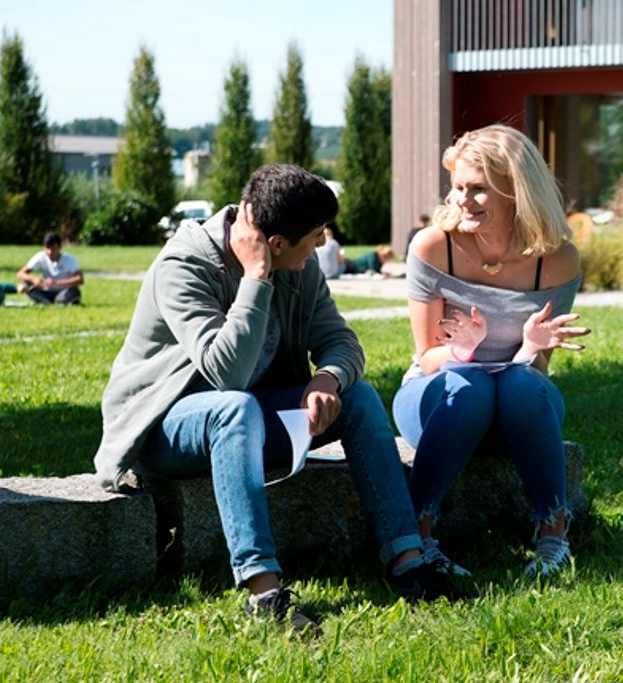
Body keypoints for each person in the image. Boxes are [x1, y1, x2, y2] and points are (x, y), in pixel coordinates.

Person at [93, 164, 458, 635]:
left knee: (360, 398)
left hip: (251, 420)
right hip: (162, 428)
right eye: (316, 234)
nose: (324, 243)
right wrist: (256, 279)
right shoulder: (184, 266)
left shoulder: (298, 265)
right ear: (277, 244)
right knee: (234, 408)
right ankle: (263, 592)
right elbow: (227, 374)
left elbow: (341, 341)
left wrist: (327, 377)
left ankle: (408, 561)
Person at [392, 124, 590, 578]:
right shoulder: (433, 246)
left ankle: (553, 536)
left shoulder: (556, 259)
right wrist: (462, 351)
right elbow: (426, 358)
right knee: (472, 384)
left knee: (522, 384)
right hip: (441, 399)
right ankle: (417, 538)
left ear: (516, 191)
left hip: (517, 408)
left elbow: (536, 368)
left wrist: (531, 347)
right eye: (458, 187)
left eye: (478, 189)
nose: (462, 199)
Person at [17, 232, 84, 305]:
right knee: (26, 284)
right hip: (46, 290)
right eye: (47, 248)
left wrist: (57, 282)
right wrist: (33, 279)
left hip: (64, 290)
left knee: (68, 294)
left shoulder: (69, 259)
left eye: (53, 249)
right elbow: (21, 273)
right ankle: (46, 301)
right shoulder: (41, 257)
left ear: (59, 247)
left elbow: (80, 279)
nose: (49, 252)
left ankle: (49, 301)